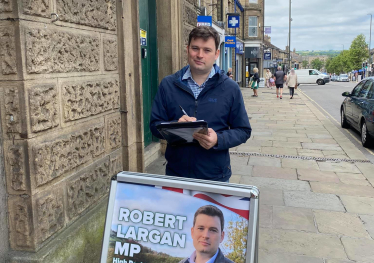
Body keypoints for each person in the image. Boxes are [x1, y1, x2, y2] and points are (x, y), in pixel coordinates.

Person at [150, 26, 252, 182]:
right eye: (195, 48)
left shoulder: (230, 88)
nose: (199, 55)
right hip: (177, 175)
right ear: (187, 49)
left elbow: (243, 130)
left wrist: (218, 139)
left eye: (207, 50)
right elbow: (155, 125)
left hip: (215, 177)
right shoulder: (168, 85)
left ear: (217, 54)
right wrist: (175, 125)